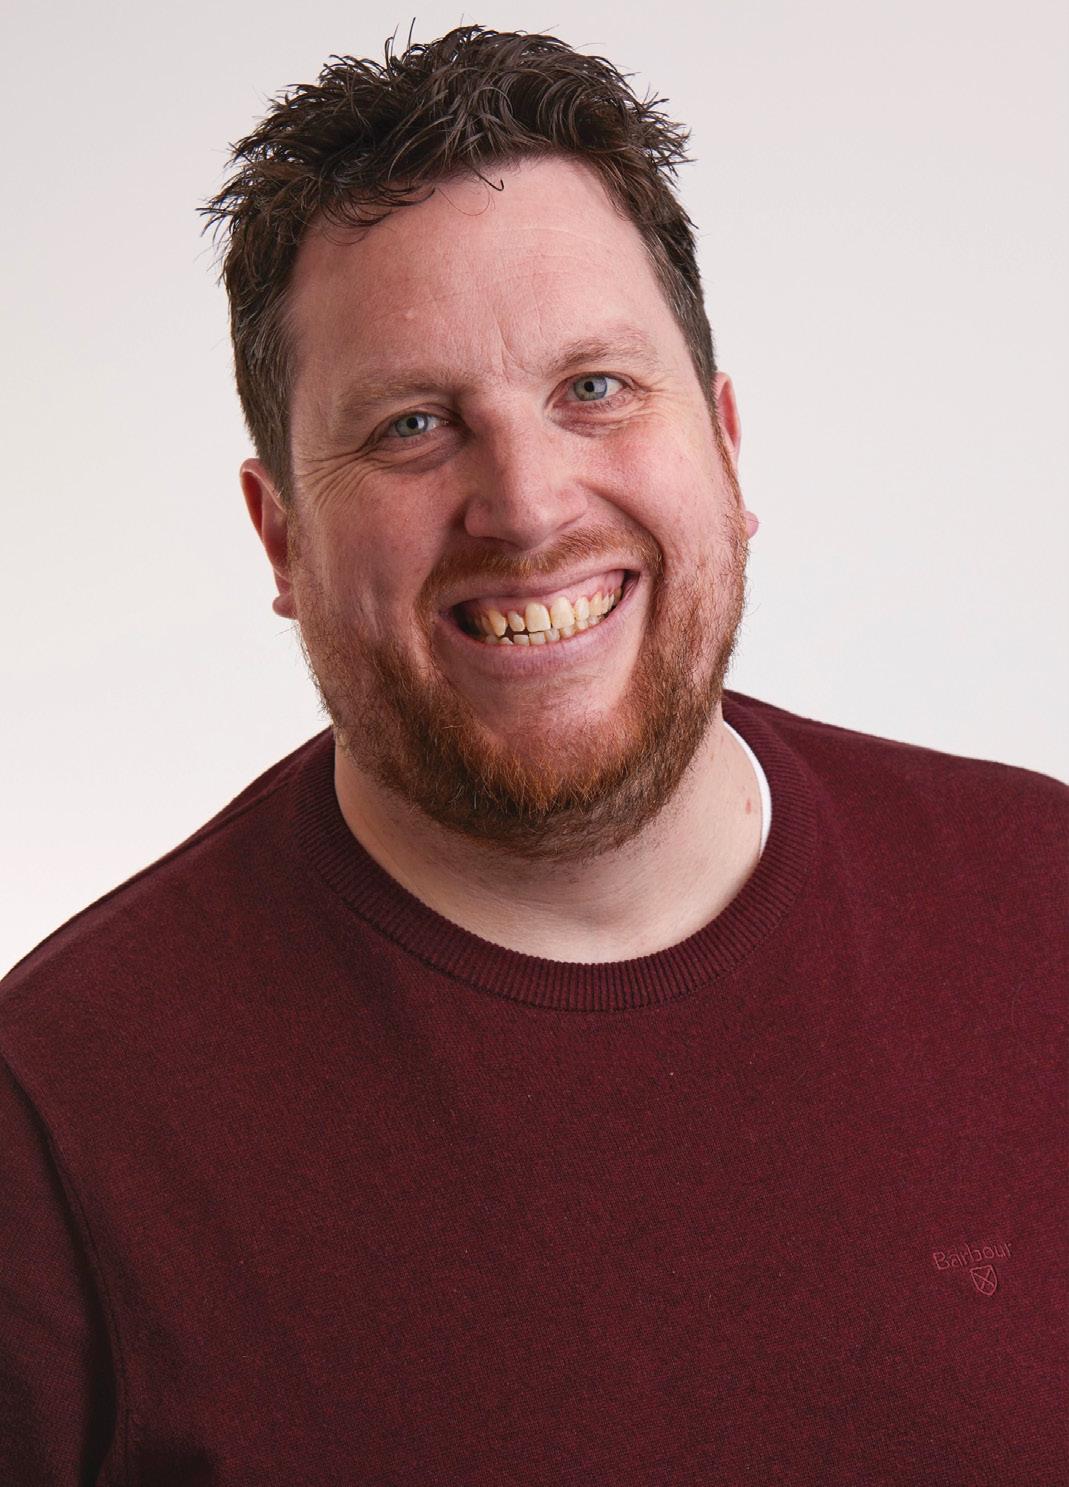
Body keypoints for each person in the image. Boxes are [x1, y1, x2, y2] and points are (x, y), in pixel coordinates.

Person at [1, 25, 1064, 1485]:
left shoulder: (1039, 901)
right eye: (413, 424)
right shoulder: (56, 1120)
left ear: (726, 447)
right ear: (281, 539)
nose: (527, 503)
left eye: (596, 389)